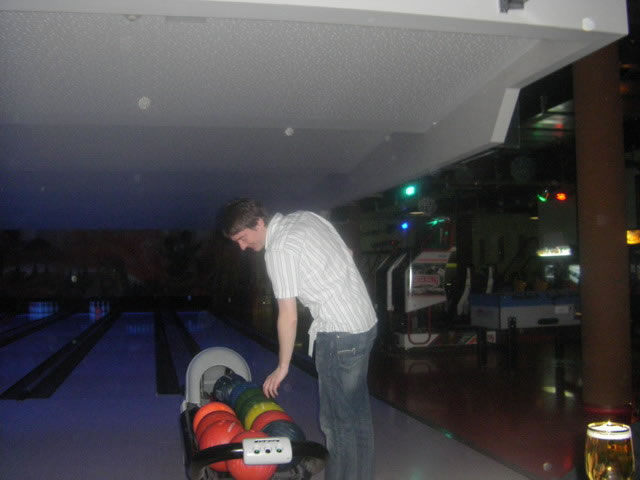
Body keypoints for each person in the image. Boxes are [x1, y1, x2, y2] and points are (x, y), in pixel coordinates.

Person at [220, 198, 378, 480]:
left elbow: (288, 315)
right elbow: (348, 253)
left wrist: (282, 367)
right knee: (358, 418)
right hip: (364, 323)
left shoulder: (278, 249)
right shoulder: (306, 217)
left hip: (339, 333)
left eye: (243, 238)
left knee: (337, 426)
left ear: (259, 223)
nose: (242, 247)